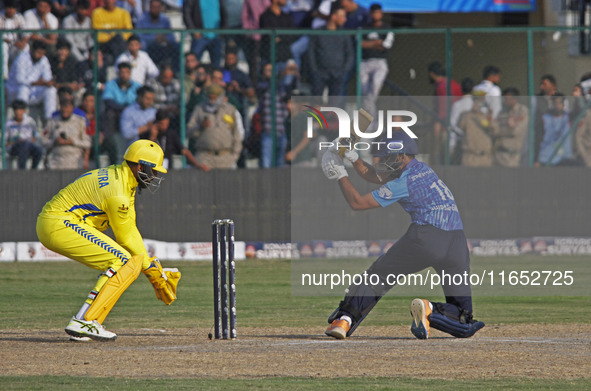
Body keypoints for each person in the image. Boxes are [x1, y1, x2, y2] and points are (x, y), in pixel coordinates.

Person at [321, 132, 485, 340]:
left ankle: (344, 319)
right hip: (457, 244)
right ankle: (429, 309)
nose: (381, 163)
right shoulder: (423, 169)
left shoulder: (403, 181)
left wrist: (339, 174)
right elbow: (373, 175)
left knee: (379, 276)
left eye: (386, 158)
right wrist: (353, 157)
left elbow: (358, 203)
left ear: (400, 156)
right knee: (463, 317)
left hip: (427, 237)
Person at [36, 139, 180, 341]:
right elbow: (126, 237)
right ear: (140, 166)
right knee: (122, 260)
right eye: (153, 170)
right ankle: (84, 320)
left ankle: (85, 322)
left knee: (130, 261)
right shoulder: (118, 193)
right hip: (59, 223)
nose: (154, 176)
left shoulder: (121, 177)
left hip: (57, 221)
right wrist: (153, 274)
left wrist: (149, 268)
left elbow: (130, 230)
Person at [187, 84, 242, 169]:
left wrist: (234, 156)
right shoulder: (199, 109)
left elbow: (237, 135)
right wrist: (199, 126)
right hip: (204, 157)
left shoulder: (230, 109)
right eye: (210, 98)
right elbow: (189, 132)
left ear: (220, 97)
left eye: (214, 98)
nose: (212, 101)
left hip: (226, 157)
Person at [307, 3, 353, 105]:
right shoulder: (318, 32)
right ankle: (316, 121)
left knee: (335, 106)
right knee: (316, 103)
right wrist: (315, 71)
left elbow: (349, 54)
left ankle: (332, 120)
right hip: (320, 74)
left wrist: (343, 71)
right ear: (333, 16)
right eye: (341, 16)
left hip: (337, 75)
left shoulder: (344, 34)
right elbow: (311, 53)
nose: (344, 19)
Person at [142, 109, 210, 171]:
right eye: (162, 124)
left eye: (167, 124)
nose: (165, 127)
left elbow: (184, 151)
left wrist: (197, 165)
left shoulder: (171, 134)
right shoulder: (147, 134)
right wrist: (152, 137)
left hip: (167, 170)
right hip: (151, 169)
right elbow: (145, 154)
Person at [101, 62, 142, 163]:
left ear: (130, 73)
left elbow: (139, 102)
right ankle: (109, 139)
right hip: (117, 112)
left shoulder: (137, 86)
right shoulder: (110, 85)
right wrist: (123, 109)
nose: (124, 75)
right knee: (109, 114)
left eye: (126, 72)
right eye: (121, 72)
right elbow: (108, 101)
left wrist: (128, 110)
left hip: (132, 113)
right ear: (118, 73)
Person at [6, 40, 57, 121]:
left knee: (51, 90)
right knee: (23, 88)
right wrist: (39, 83)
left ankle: (50, 120)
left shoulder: (44, 59)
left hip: (34, 92)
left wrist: (49, 82)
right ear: (32, 50)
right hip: (15, 93)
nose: (40, 55)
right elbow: (20, 80)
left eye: (42, 53)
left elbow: (47, 77)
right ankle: (23, 120)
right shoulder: (22, 58)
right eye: (38, 53)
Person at [360, 3, 394, 120]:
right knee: (365, 91)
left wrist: (369, 44)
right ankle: (371, 122)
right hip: (364, 62)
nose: (375, 15)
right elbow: (360, 44)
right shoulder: (364, 27)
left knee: (374, 89)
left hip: (380, 62)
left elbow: (386, 45)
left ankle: (368, 120)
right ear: (370, 14)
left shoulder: (386, 28)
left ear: (381, 13)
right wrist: (376, 43)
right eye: (373, 12)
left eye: (378, 12)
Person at [42, 98, 91, 169]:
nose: (65, 110)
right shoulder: (52, 121)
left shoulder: (80, 122)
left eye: (68, 107)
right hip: (55, 162)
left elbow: (87, 143)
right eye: (63, 107)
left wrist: (72, 142)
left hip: (75, 161)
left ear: (72, 108)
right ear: (60, 107)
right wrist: (54, 142)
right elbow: (43, 141)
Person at [136, 0, 180, 71]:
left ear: (161, 8)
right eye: (153, 7)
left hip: (162, 47)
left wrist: (165, 38)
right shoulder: (142, 19)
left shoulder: (165, 19)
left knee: (176, 46)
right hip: (148, 47)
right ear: (149, 7)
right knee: (143, 46)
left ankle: (175, 72)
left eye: (157, 7)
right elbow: (138, 36)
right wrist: (154, 38)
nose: (155, 9)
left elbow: (171, 36)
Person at [182, 0, 226, 68]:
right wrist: (193, 31)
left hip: (216, 37)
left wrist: (223, 31)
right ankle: (191, 78)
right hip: (199, 37)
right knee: (193, 64)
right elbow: (186, 14)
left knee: (216, 66)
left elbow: (224, 14)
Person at [458, 91, 497, 167]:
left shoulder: (486, 116)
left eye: (482, 100)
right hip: (470, 156)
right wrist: (473, 111)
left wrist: (490, 117)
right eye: (477, 100)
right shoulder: (466, 115)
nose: (479, 103)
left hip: (485, 157)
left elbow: (495, 131)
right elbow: (460, 126)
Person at [494, 88, 529, 167]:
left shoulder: (522, 111)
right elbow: (494, 129)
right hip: (498, 154)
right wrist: (508, 127)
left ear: (515, 99)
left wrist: (501, 130)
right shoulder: (502, 111)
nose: (504, 101)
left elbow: (515, 131)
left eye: (506, 99)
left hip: (511, 157)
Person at [92, 0, 133, 67]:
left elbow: (128, 33)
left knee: (118, 39)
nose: (109, 1)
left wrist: (110, 33)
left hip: (119, 43)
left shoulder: (124, 13)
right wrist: (116, 34)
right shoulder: (97, 13)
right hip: (104, 44)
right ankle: (121, 64)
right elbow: (98, 36)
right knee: (117, 38)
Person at [4, 99, 43, 169]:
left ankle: (33, 170)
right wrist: (16, 141)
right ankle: (22, 171)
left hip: (28, 145)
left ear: (24, 111)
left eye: (20, 110)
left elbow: (34, 136)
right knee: (23, 146)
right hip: (14, 147)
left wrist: (28, 141)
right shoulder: (9, 124)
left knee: (38, 151)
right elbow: (5, 142)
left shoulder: (30, 121)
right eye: (16, 109)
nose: (18, 112)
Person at [537, 94, 574, 166]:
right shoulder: (545, 118)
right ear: (552, 104)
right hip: (547, 158)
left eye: (560, 103)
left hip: (564, 158)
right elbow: (538, 139)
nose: (557, 105)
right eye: (555, 103)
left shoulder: (569, 117)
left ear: (563, 105)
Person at [0, 0, 27, 79]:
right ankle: (4, 74)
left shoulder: (19, 17)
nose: (11, 10)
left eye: (13, 8)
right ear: (5, 8)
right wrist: (13, 42)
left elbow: (25, 33)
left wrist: (23, 42)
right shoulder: (0, 16)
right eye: (9, 8)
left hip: (15, 46)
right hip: (4, 43)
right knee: (3, 46)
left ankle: (20, 73)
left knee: (26, 47)